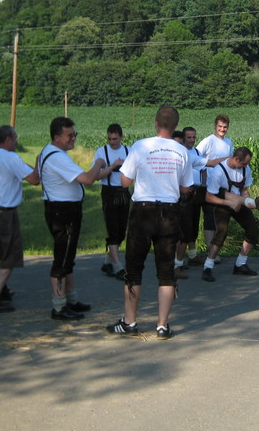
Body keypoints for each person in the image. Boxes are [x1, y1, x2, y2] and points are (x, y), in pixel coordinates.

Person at [107, 105, 192, 340]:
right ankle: (162, 325)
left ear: (156, 122)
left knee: (134, 268)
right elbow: (186, 188)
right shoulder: (182, 151)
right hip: (170, 212)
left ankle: (129, 321)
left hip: (143, 212)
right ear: (175, 126)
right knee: (166, 271)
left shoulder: (140, 146)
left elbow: (125, 181)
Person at [39, 117, 107, 320]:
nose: (74, 138)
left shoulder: (49, 152)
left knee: (68, 257)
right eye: (69, 135)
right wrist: (98, 163)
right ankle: (59, 306)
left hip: (61, 209)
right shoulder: (58, 158)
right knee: (62, 259)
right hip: (63, 212)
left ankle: (71, 299)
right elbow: (88, 179)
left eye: (74, 134)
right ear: (57, 137)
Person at [0, 125, 40, 314]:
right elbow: (34, 180)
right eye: (15, 139)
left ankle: (2, 289)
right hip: (5, 212)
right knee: (10, 256)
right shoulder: (11, 158)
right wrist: (38, 163)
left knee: (0, 250)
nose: (16, 142)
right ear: (7, 139)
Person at [172, 129, 227, 279]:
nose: (191, 140)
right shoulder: (180, 156)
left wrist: (201, 186)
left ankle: (191, 255)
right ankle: (176, 264)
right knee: (182, 231)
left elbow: (207, 166)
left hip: (194, 192)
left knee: (191, 226)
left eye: (193, 137)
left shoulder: (192, 153)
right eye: (188, 138)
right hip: (180, 194)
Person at [201, 146, 259, 282]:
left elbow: (244, 191)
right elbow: (209, 197)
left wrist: (248, 202)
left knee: (253, 231)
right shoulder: (218, 172)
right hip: (222, 204)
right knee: (221, 233)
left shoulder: (245, 169)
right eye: (244, 163)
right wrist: (228, 203)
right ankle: (207, 267)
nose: (245, 166)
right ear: (236, 159)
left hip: (239, 203)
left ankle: (240, 264)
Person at [94, 123, 131, 280]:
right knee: (113, 229)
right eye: (109, 139)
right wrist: (112, 167)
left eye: (115, 139)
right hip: (109, 193)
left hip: (124, 192)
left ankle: (107, 262)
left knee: (122, 231)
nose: (112, 142)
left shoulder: (128, 151)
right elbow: (96, 176)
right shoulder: (101, 152)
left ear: (121, 137)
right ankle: (118, 266)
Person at [196, 114, 233, 251]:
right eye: (220, 126)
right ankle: (209, 248)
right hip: (209, 185)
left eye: (225, 127)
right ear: (215, 126)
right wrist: (203, 178)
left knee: (221, 219)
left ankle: (216, 249)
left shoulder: (229, 142)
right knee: (210, 218)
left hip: (223, 186)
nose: (222, 129)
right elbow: (196, 158)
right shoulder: (208, 141)